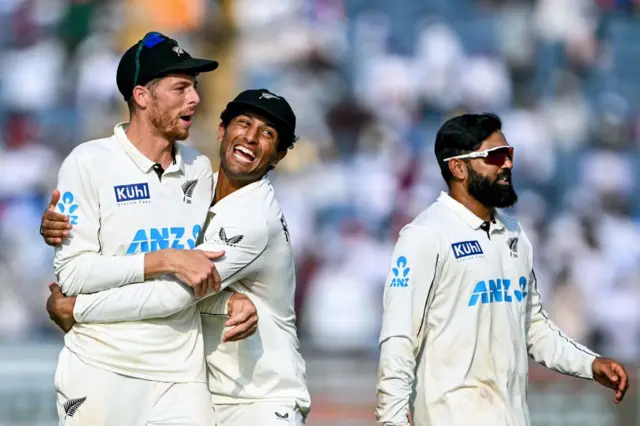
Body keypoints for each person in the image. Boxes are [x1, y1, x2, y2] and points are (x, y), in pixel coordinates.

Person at [42, 89, 311, 426]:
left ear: (279, 156)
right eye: (243, 124)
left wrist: (77, 307)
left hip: (261, 401)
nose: (251, 138)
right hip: (206, 396)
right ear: (221, 131)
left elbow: (174, 294)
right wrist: (62, 225)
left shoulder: (254, 217)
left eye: (267, 134)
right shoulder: (196, 189)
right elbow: (132, 240)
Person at [375, 113, 629, 426]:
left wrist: (590, 364)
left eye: (509, 154)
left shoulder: (515, 235)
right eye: (495, 156)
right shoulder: (425, 235)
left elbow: (533, 327)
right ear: (458, 167)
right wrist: (392, 422)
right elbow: (399, 339)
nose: (507, 164)